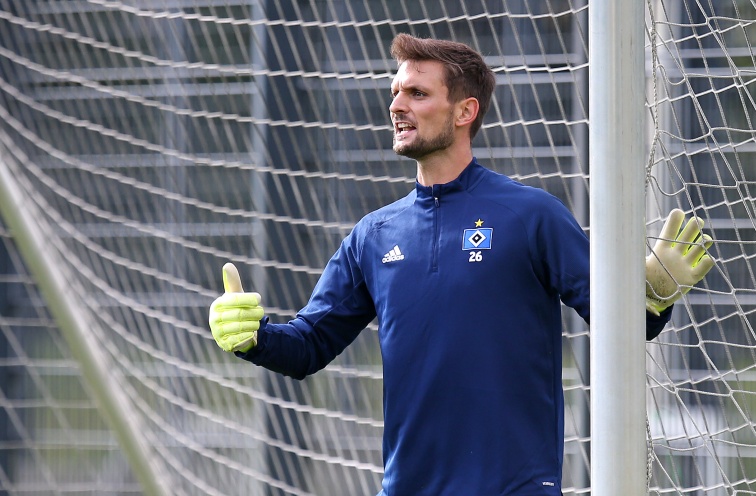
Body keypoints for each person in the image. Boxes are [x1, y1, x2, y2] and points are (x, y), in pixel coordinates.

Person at [209, 33, 714, 495]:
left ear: (464, 111)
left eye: (417, 93)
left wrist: (652, 295)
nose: (397, 105)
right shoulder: (373, 235)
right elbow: (307, 347)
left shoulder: (531, 215)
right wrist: (252, 336)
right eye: (396, 92)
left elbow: (623, 326)